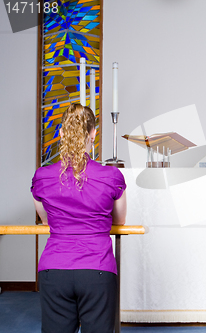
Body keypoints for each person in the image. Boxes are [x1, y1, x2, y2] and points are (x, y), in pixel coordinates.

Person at [31, 104, 127, 333]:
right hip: (98, 269)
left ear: (62, 133)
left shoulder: (42, 177)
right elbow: (120, 221)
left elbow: (46, 219)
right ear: (93, 133)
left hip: (54, 270)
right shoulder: (111, 176)